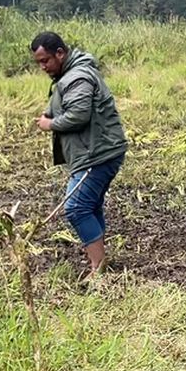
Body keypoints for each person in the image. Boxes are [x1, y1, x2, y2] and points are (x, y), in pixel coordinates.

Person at [31, 31, 127, 275]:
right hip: (96, 150)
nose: (43, 67)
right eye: (39, 62)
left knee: (76, 207)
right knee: (90, 205)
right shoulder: (69, 76)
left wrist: (49, 124)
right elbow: (67, 105)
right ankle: (100, 261)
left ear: (60, 54)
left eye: (46, 61)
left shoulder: (77, 77)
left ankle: (98, 269)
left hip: (97, 154)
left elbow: (79, 115)